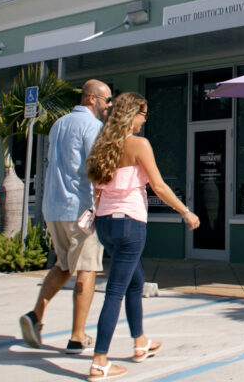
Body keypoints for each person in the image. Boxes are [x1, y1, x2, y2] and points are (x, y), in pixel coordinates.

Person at [84, 92, 200, 381]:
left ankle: (140, 342)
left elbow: (96, 187)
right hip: (130, 224)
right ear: (131, 114)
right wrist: (186, 212)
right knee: (115, 291)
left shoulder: (103, 144)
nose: (145, 120)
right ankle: (99, 362)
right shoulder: (139, 144)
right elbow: (158, 186)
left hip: (106, 224)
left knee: (136, 281)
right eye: (143, 114)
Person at [19, 79, 113, 354]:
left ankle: (36, 315)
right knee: (87, 269)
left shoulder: (59, 124)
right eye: (107, 100)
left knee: (63, 265)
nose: (109, 105)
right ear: (92, 98)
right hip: (81, 209)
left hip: (54, 208)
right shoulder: (93, 126)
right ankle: (77, 336)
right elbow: (96, 168)